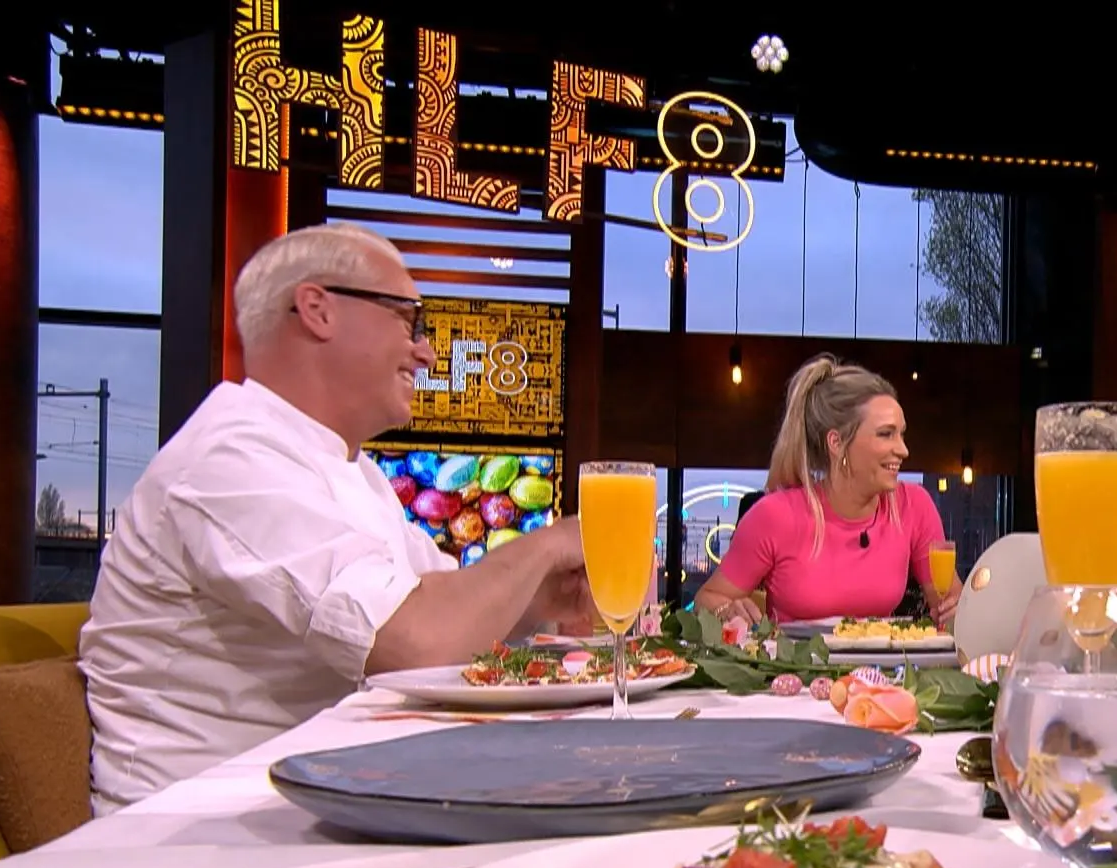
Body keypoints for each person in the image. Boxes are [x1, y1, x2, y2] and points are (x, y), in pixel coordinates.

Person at [80, 223, 596, 813]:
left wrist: (545, 598)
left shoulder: (352, 472)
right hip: (200, 828)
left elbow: (448, 616)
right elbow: (418, 643)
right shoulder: (230, 459)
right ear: (318, 309)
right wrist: (550, 545)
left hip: (320, 800)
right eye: (409, 319)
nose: (426, 352)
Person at [694, 355, 959, 627]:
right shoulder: (774, 516)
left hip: (881, 657)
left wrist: (957, 611)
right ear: (836, 442)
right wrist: (726, 611)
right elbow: (707, 599)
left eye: (901, 434)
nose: (903, 450)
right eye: (885, 434)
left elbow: (950, 605)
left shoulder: (913, 506)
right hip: (795, 656)